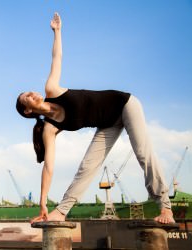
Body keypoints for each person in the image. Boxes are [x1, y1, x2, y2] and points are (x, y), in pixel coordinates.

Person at [16, 12, 175, 224]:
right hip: (108, 124)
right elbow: (49, 167)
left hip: (124, 104)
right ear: (28, 111)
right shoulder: (49, 129)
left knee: (142, 153)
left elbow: (57, 57)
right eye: (26, 97)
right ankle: (61, 212)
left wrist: (57, 32)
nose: (31, 93)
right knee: (87, 166)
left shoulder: (51, 89)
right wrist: (43, 202)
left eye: (29, 91)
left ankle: (165, 207)